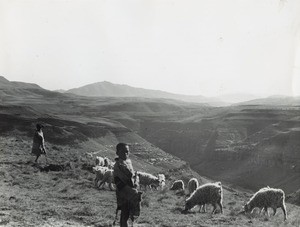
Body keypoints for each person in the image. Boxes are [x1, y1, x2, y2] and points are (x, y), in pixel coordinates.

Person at [113, 143, 140, 227]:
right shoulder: (117, 165)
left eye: (127, 152)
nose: (125, 154)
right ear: (117, 153)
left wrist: (136, 181)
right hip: (123, 192)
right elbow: (121, 181)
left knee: (128, 213)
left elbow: (133, 175)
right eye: (123, 152)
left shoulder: (128, 162)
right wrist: (132, 189)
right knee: (124, 214)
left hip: (130, 191)